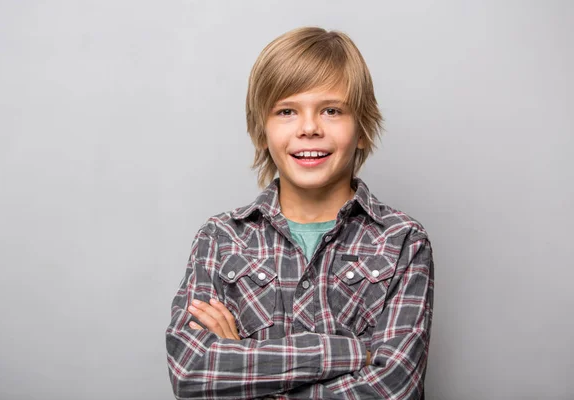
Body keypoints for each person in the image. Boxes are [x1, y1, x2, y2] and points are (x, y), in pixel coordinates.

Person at [165, 26, 434, 399]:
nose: (309, 128)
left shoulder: (402, 240)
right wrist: (350, 352)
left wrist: (241, 363)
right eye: (287, 111)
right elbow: (192, 372)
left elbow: (393, 387)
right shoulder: (221, 238)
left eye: (332, 110)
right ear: (262, 131)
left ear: (362, 130)